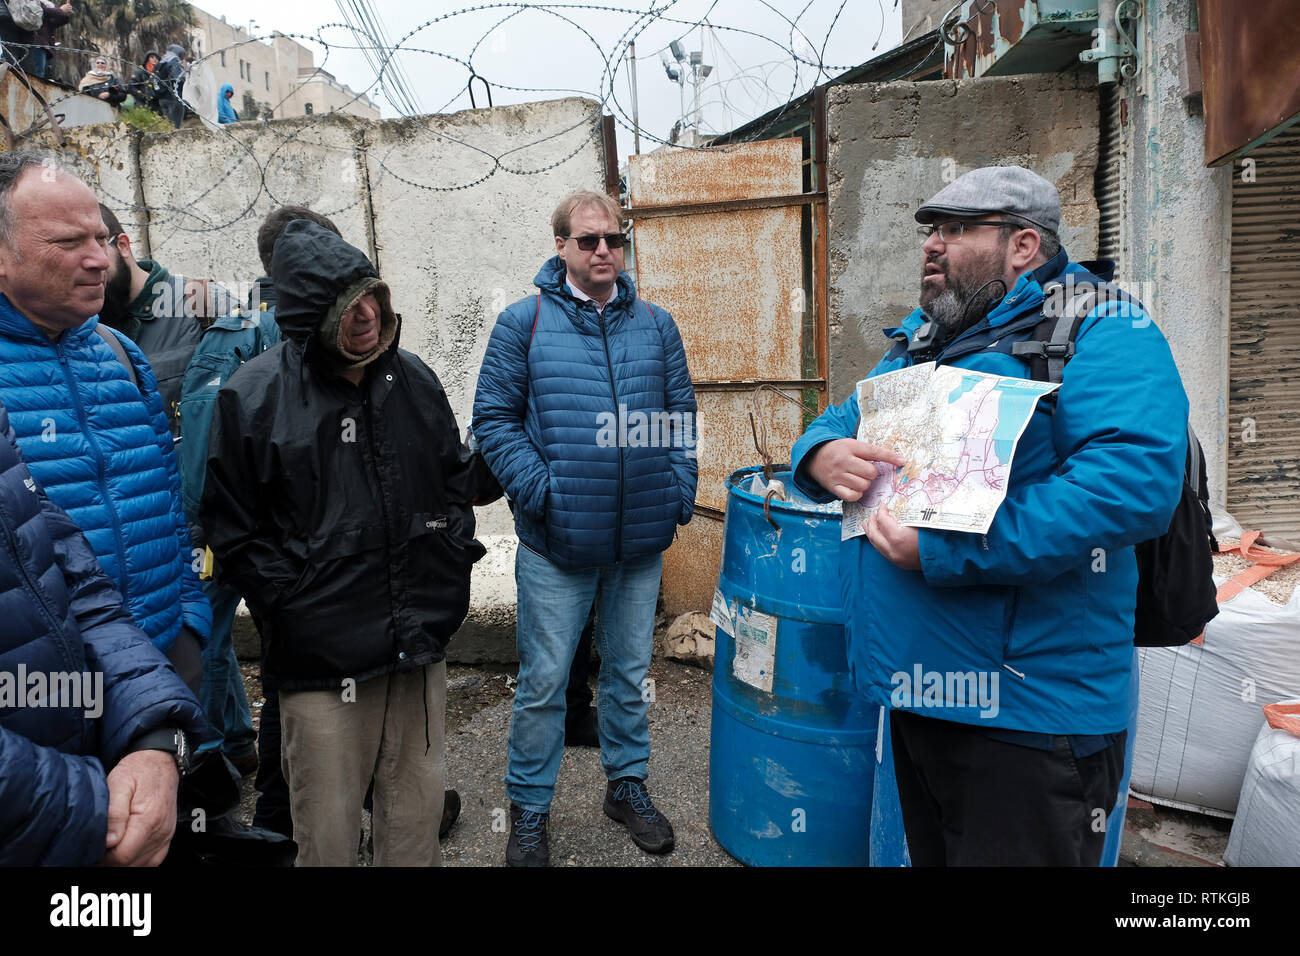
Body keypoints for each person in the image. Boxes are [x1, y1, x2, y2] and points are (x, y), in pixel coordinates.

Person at [790, 165, 1190, 866]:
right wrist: (819, 455)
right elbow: (843, 415)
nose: (931, 247)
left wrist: (948, 551)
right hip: (920, 695)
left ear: (1023, 246)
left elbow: (1129, 485)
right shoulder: (929, 334)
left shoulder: (1102, 329)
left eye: (955, 230)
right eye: (930, 232)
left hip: (1028, 719)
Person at [202, 220, 494, 867]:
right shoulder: (252, 398)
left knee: (414, 834)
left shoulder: (412, 380)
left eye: (373, 296)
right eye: (346, 305)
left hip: (416, 653)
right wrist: (294, 603)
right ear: (309, 318)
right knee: (327, 843)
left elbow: (453, 480)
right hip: (322, 675)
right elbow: (232, 529)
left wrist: (451, 554)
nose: (367, 315)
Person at [473, 189, 697, 866]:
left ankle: (626, 787)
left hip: (638, 545)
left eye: (614, 240)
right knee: (544, 683)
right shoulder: (525, 323)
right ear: (562, 248)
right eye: (589, 240)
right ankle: (529, 813)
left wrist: (677, 491)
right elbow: (493, 421)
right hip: (558, 545)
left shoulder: (656, 325)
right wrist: (545, 492)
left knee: (629, 675)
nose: (605, 250)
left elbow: (680, 415)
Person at [0, 152, 210, 693]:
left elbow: (167, 495)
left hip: (164, 660)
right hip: (43, 694)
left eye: (99, 239)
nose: (100, 261)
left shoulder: (119, 354)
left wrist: (188, 622)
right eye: (69, 243)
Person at [0, 395, 211, 866]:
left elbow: (69, 576)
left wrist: (153, 732)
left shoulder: (119, 355)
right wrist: (93, 813)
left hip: (128, 705)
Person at [98, 203, 212, 435]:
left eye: (97, 247)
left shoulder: (199, 302)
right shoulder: (78, 329)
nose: (90, 263)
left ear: (122, 245)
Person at [155, 43, 186, 128]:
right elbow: (179, 78)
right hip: (174, 98)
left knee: (167, 126)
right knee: (175, 127)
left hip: (162, 98)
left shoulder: (162, 61)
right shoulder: (174, 61)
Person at [129, 49, 161, 113]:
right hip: (142, 105)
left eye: (157, 58)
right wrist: (142, 96)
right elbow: (131, 87)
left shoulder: (159, 73)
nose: (155, 59)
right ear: (147, 59)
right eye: (152, 57)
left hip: (156, 105)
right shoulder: (140, 71)